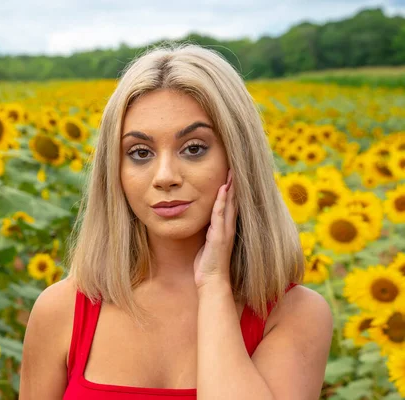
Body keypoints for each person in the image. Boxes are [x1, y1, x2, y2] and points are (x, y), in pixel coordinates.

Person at [19, 43, 333, 399]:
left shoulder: (296, 316)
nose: (164, 176)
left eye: (194, 148)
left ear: (240, 159)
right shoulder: (61, 311)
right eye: (140, 153)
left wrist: (214, 284)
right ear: (115, 171)